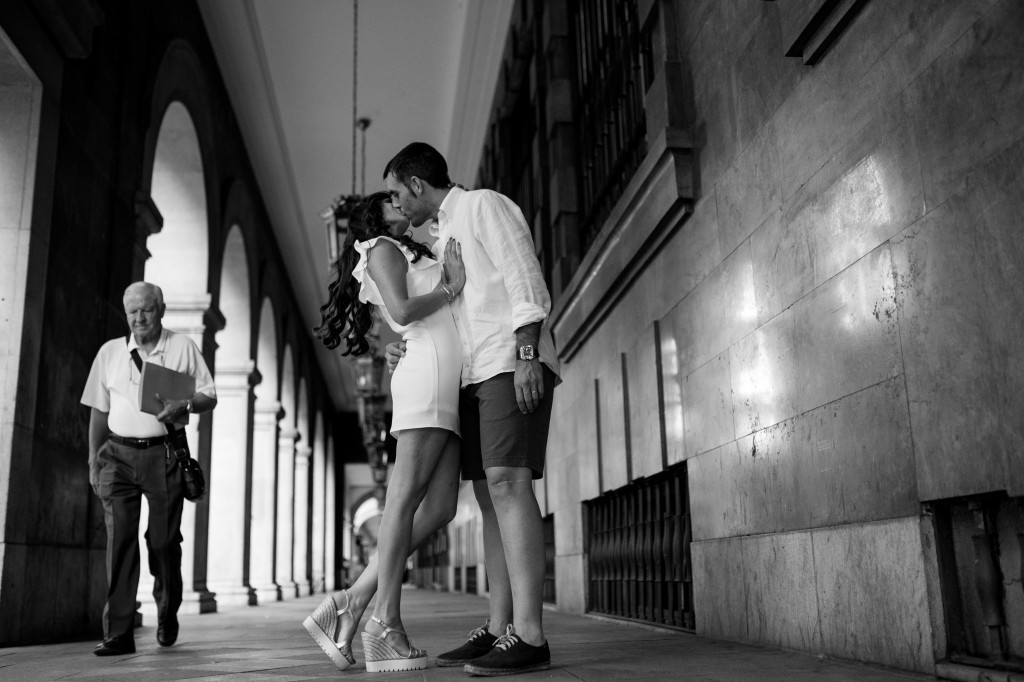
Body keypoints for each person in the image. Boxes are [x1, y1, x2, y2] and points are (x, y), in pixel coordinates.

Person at [383, 142, 559, 676]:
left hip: (507, 360)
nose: (395, 205)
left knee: (507, 482)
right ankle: (500, 626)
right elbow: (447, 316)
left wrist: (527, 355)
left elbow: (525, 277)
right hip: (472, 375)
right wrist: (403, 348)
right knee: (487, 496)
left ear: (417, 184)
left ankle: (530, 634)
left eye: (396, 192)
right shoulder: (440, 240)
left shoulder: (483, 204)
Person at [303, 191, 466, 672]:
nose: (402, 199)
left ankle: (351, 601)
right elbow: (404, 310)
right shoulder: (378, 246)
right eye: (392, 197)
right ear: (375, 214)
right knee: (403, 499)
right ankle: (385, 622)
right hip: (427, 376)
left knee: (440, 506)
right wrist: (451, 286)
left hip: (445, 377)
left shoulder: (407, 248)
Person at [81, 282, 217, 655]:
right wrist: (93, 459)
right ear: (126, 314)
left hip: (165, 455)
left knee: (162, 542)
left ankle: (167, 609)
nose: (139, 318)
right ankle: (119, 632)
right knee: (120, 542)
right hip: (117, 457)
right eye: (133, 311)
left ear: (161, 310)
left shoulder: (182, 347)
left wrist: (185, 405)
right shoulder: (110, 352)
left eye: (147, 309)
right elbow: (99, 411)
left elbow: (210, 395)